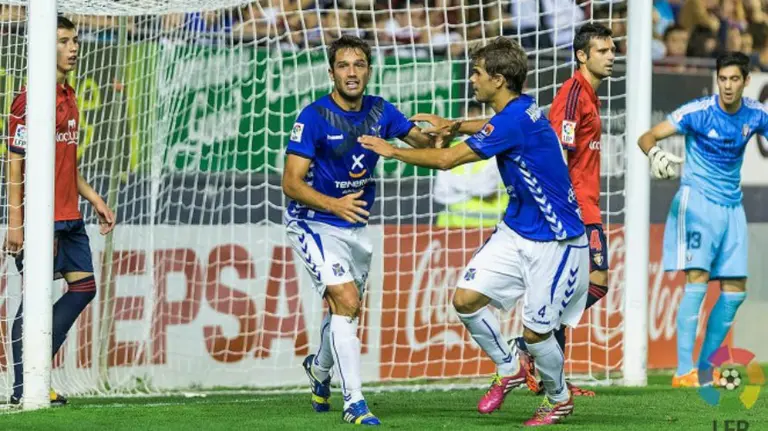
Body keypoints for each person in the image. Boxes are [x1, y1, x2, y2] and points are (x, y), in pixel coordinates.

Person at [359, 37, 589, 427]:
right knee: (465, 299)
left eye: (477, 73)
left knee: (536, 335)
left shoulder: (514, 120)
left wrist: (393, 150)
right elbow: (490, 125)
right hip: (516, 231)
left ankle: (559, 398)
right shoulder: (521, 108)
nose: (472, 80)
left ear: (498, 79)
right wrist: (454, 124)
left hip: (557, 240)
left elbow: (448, 159)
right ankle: (508, 365)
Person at [281, 35, 441, 425]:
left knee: (345, 310)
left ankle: (319, 371)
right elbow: (291, 182)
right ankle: (354, 401)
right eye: (343, 65)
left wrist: (440, 132)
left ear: (369, 70)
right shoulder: (314, 116)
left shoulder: (381, 111)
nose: (351, 73)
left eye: (358, 65)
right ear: (331, 71)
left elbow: (423, 144)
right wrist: (334, 203)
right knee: (347, 300)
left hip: (355, 226)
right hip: (312, 221)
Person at [5, 16, 116, 405]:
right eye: (64, 41)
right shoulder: (29, 99)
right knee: (35, 297)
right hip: (40, 218)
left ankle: (36, 369)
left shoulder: (68, 95)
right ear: (43, 47)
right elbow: (14, 162)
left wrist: (95, 198)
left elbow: (66, 161)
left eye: (75, 40)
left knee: (85, 287)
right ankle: (25, 387)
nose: (74, 48)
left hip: (70, 213)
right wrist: (16, 223)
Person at [637, 52, 764, 387]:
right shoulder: (698, 111)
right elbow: (647, 136)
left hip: (732, 208)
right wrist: (655, 153)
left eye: (734, 79)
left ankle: (704, 370)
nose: (727, 86)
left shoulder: (756, 113)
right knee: (697, 279)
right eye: (722, 79)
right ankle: (683, 372)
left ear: (746, 82)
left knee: (735, 291)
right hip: (697, 203)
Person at [515, 22, 616, 398]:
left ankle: (550, 377)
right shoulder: (574, 93)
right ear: (582, 55)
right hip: (575, 209)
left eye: (612, 49)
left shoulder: (589, 93)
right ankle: (529, 345)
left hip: (584, 205)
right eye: (602, 51)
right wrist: (563, 206)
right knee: (595, 282)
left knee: (571, 291)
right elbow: (558, 148)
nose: (611, 56)